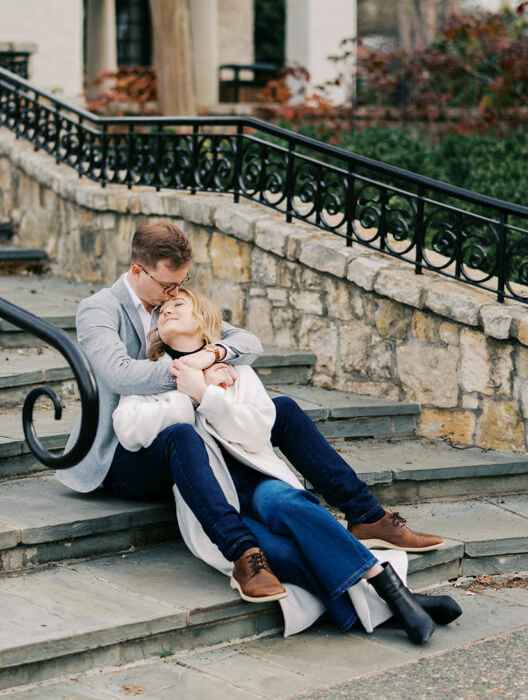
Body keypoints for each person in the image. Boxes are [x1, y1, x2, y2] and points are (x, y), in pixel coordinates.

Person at [57, 220, 443, 603]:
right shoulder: (99, 309)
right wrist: (191, 374)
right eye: (166, 286)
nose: (175, 292)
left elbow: (247, 341)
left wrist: (210, 353)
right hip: (123, 453)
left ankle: (367, 515)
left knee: (285, 410)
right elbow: (119, 374)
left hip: (196, 436)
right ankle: (243, 555)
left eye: (181, 283)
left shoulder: (171, 305)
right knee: (182, 435)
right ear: (137, 270)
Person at [112, 288, 462, 643]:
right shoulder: (149, 373)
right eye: (162, 310)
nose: (166, 311)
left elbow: (257, 431)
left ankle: (385, 589)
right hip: (217, 500)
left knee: (287, 503)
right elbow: (128, 430)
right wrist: (185, 392)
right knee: (282, 552)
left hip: (259, 479)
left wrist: (208, 395)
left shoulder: (236, 371)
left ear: (202, 321)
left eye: (178, 305)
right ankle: (395, 599)